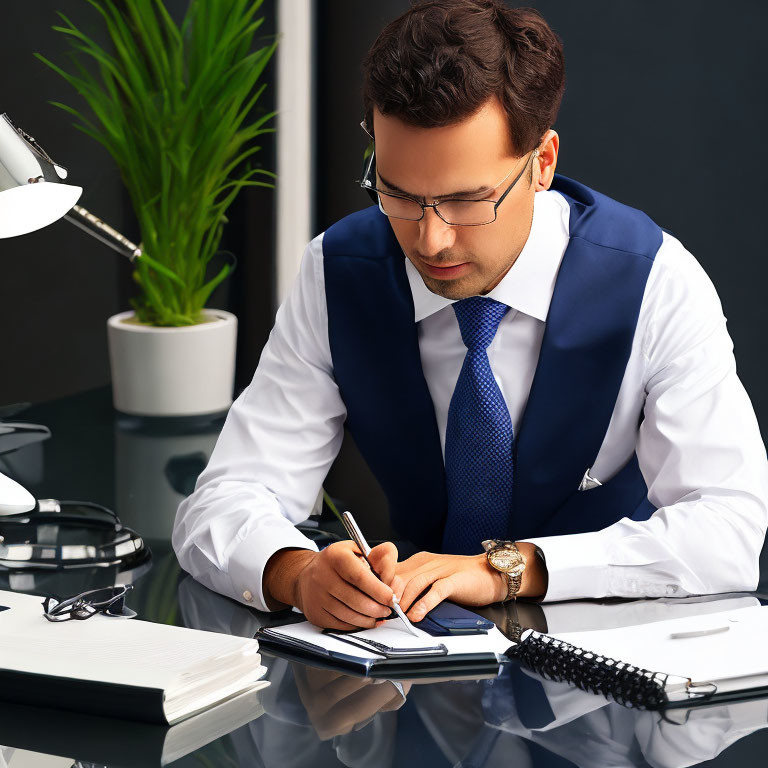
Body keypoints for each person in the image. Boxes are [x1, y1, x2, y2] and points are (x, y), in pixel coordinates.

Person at [172, 0, 768, 631]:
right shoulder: (337, 271)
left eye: (466, 201)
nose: (429, 240)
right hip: (412, 676)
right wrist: (296, 572)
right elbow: (220, 503)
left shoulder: (656, 282)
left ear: (542, 164)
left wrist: (511, 569)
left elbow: (730, 527)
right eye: (397, 194)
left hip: (606, 686)